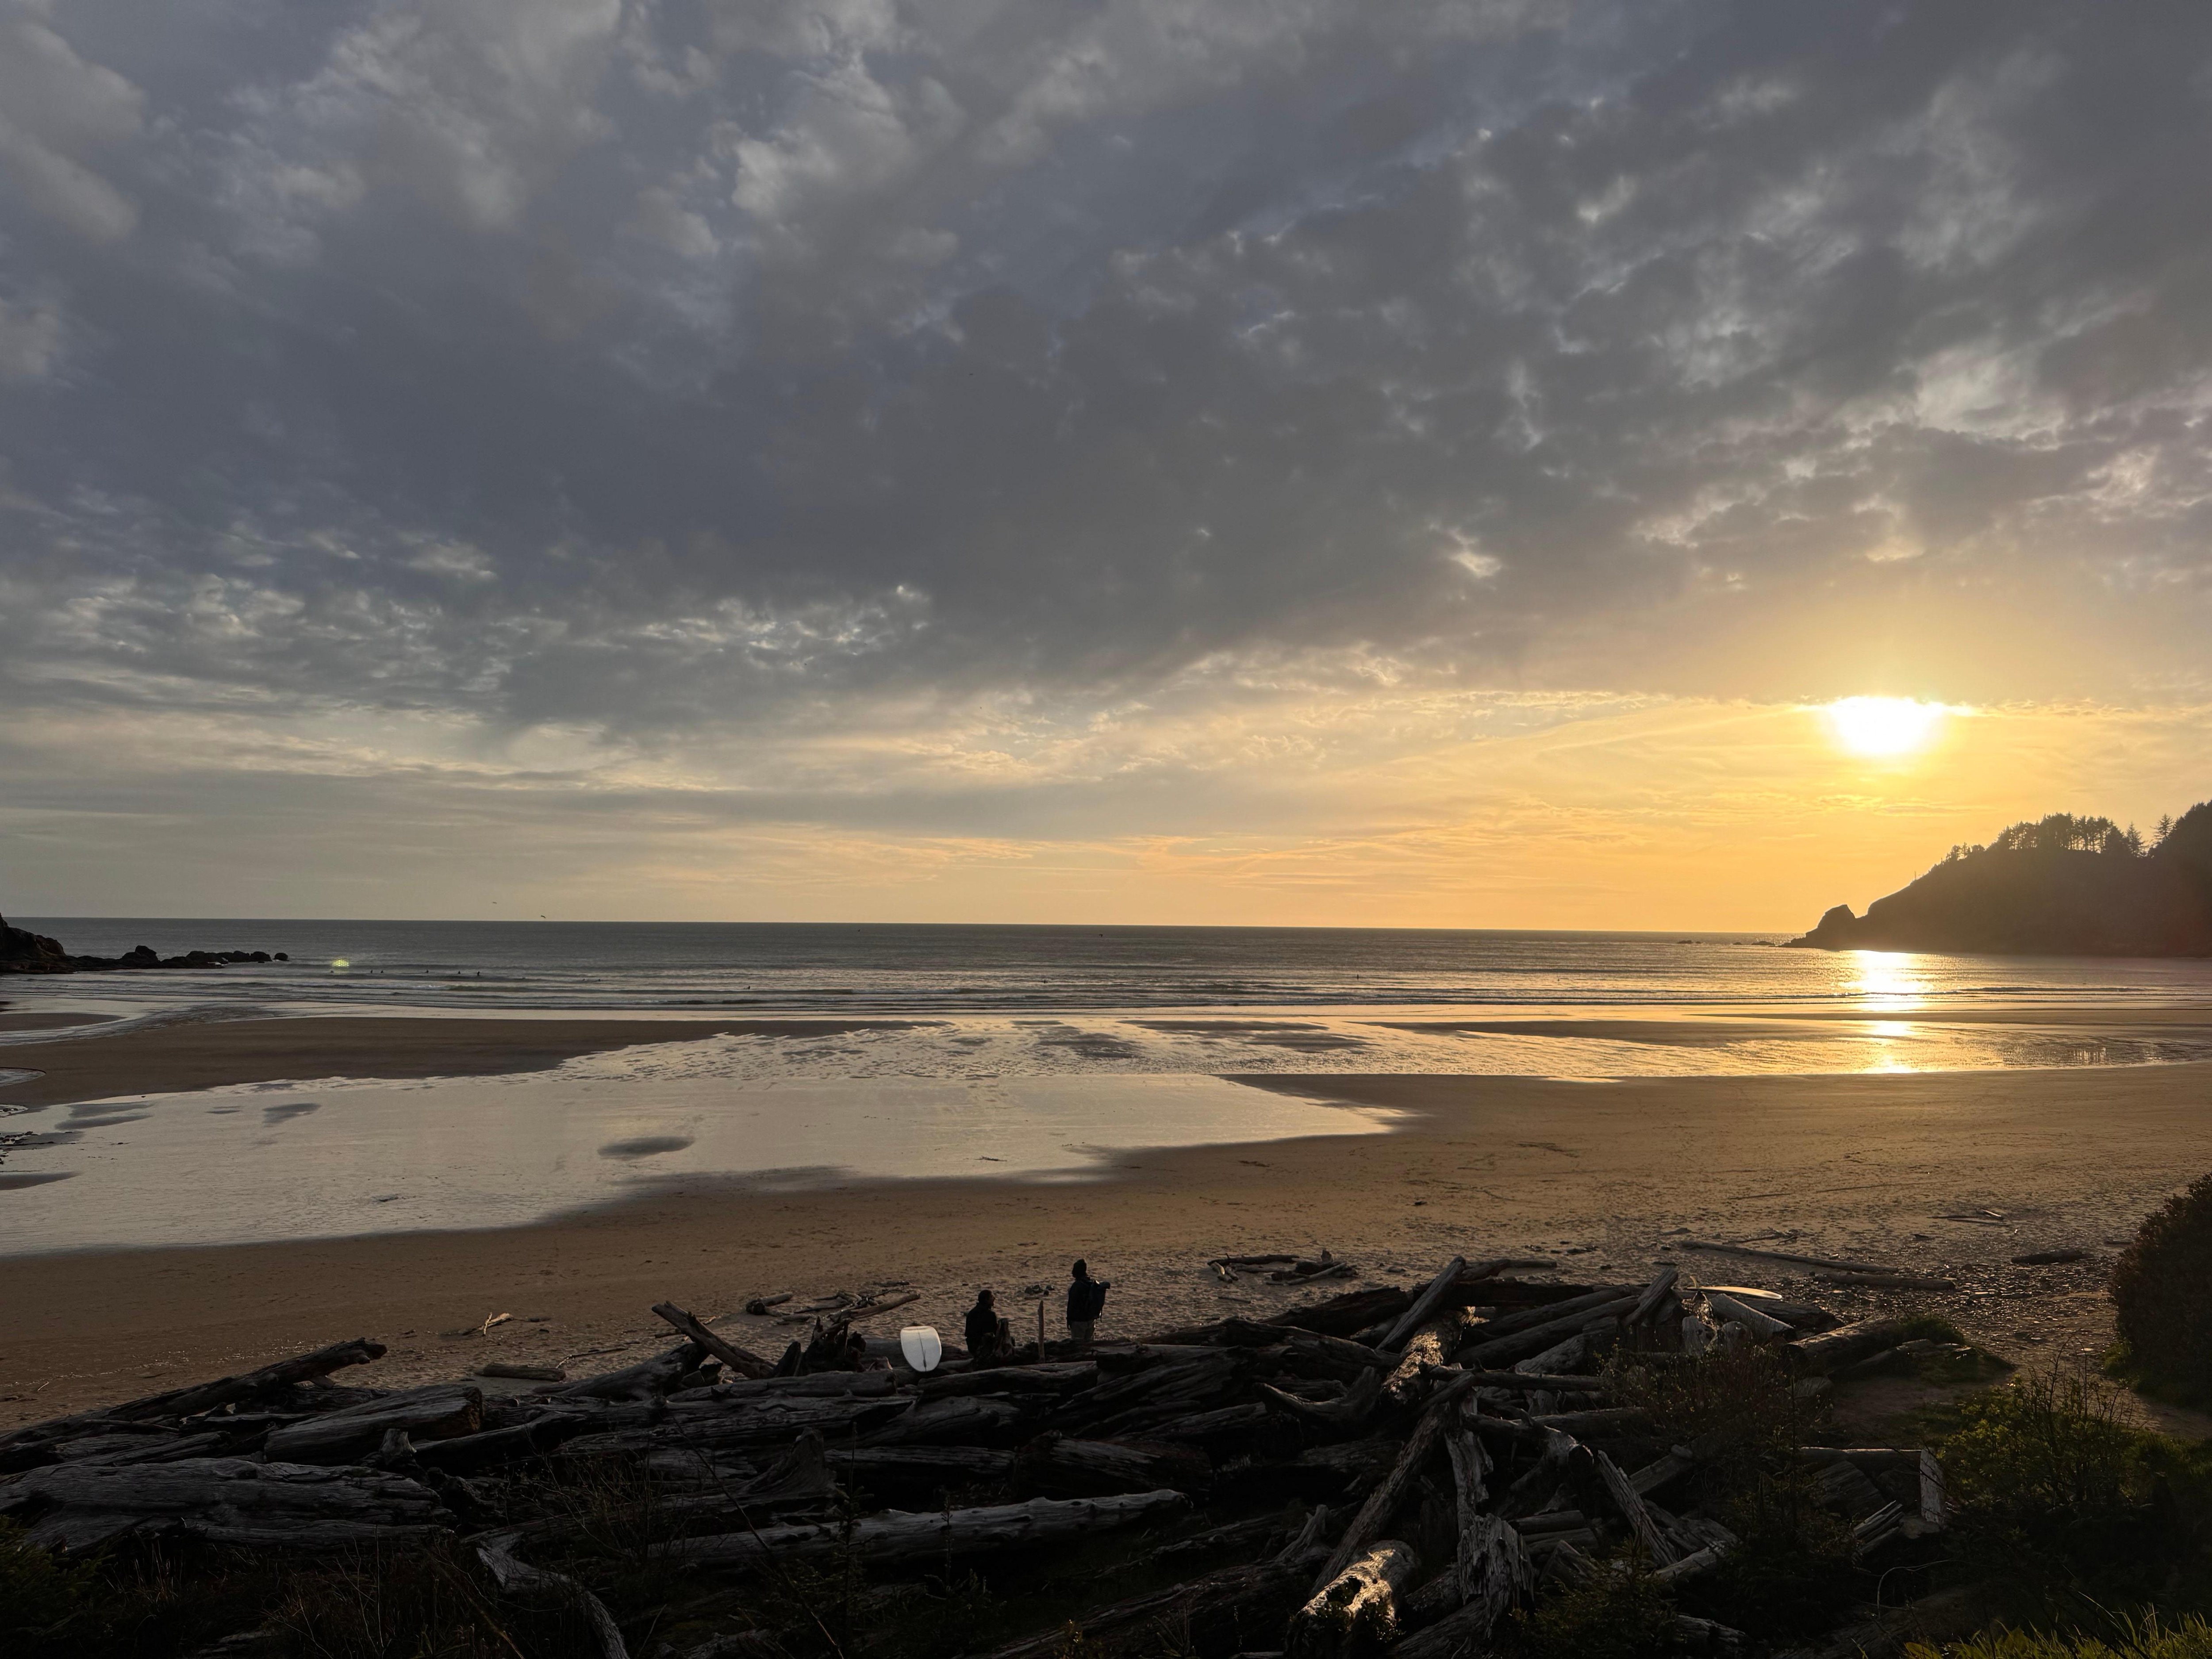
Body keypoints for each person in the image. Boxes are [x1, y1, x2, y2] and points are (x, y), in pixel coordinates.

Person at [1065, 1259, 1110, 1346]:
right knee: (1089, 1344)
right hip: (1091, 1319)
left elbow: (1071, 1306)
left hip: (1079, 1321)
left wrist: (1069, 1320)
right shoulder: (1091, 1283)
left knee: (1078, 1346)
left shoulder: (1077, 1286)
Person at [964, 1288, 1001, 1362]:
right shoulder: (990, 1315)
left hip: (972, 1347)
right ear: (987, 1300)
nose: (994, 1298)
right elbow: (997, 1333)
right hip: (983, 1347)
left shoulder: (972, 1312)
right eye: (992, 1297)